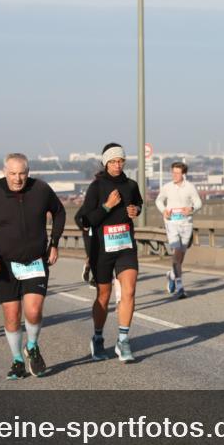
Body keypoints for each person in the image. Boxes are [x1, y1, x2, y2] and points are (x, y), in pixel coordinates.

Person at [0, 154, 65, 380]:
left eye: (22, 173)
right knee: (12, 316)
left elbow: (59, 212)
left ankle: (32, 346)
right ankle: (17, 360)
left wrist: (54, 243)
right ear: (5, 172)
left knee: (33, 311)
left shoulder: (41, 190)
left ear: (28, 171)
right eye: (13, 174)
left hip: (35, 261)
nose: (17, 179)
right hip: (5, 264)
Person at [79, 143, 143, 362]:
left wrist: (136, 210)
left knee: (130, 290)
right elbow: (84, 219)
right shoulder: (97, 187)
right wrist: (107, 206)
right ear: (105, 162)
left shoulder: (131, 185)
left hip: (125, 245)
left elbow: (138, 204)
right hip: (102, 248)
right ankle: (98, 338)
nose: (117, 165)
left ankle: (123, 341)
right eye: (113, 161)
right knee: (104, 296)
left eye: (121, 161)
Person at [155, 162, 202, 298]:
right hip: (171, 223)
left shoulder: (190, 187)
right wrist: (164, 210)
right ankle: (180, 286)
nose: (174, 175)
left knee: (180, 256)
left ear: (183, 174)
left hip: (186, 224)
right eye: (173, 172)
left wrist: (191, 209)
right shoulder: (167, 187)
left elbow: (198, 202)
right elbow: (159, 201)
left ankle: (171, 274)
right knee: (176, 252)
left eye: (177, 173)